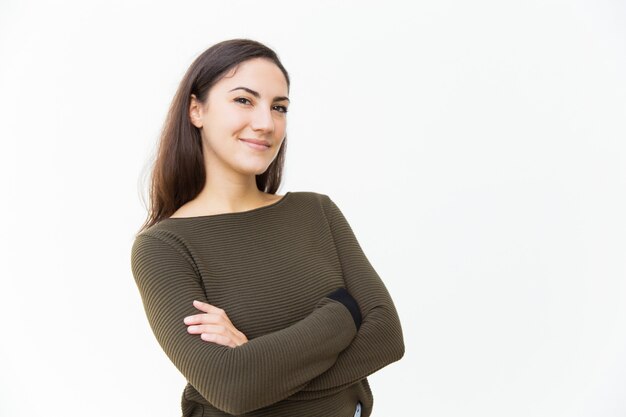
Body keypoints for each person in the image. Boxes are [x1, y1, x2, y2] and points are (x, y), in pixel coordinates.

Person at [130, 38, 405, 417]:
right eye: (244, 100)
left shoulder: (316, 211)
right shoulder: (163, 247)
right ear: (196, 110)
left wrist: (256, 361)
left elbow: (387, 336)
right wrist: (342, 315)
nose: (265, 123)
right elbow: (232, 387)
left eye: (279, 107)